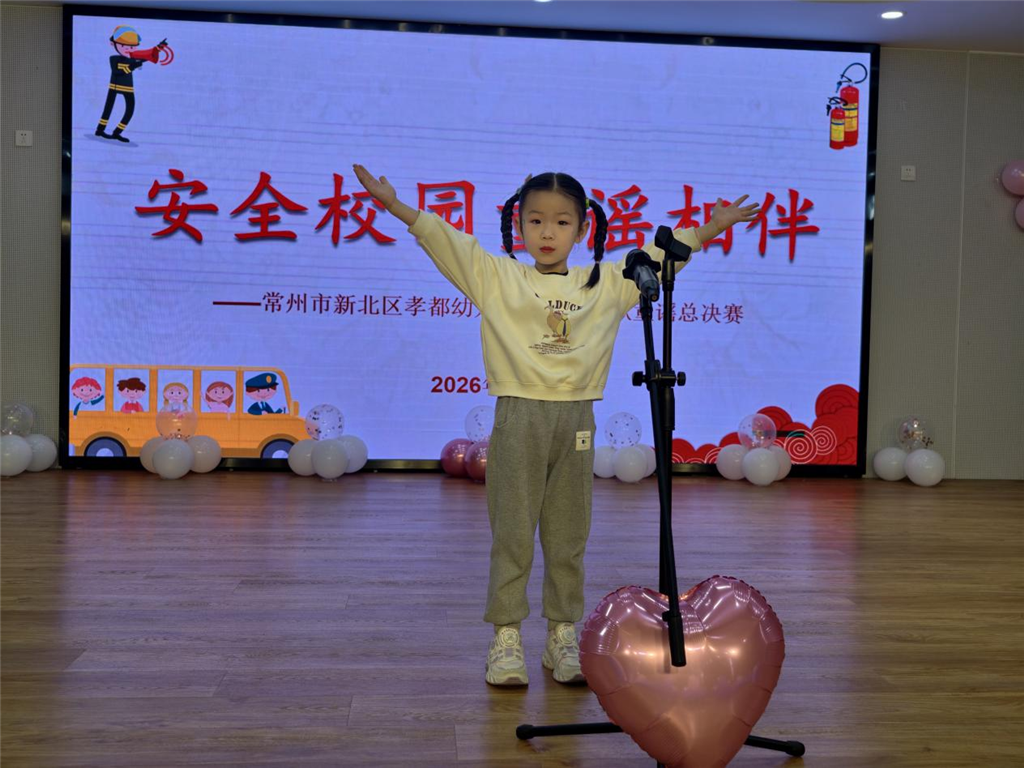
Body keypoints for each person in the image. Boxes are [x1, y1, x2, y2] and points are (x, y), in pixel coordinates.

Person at [352, 164, 758, 687]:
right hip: (519, 414)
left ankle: (562, 634)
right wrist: (395, 205)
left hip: (576, 418)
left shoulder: (605, 282)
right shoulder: (499, 277)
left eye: (562, 222)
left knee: (568, 535)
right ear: (518, 226)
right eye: (536, 221)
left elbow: (661, 257)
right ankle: (506, 639)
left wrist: (710, 228)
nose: (548, 233)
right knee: (513, 533)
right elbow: (447, 242)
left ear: (582, 228)